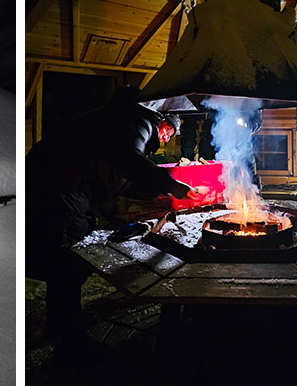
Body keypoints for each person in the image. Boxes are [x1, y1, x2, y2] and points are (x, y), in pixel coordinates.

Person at [26, 86, 197, 362]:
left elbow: (121, 178)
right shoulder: (138, 120)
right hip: (58, 189)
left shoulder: (122, 121)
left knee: (64, 262)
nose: (165, 141)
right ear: (162, 121)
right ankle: (71, 345)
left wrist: (162, 192)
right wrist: (169, 184)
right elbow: (126, 161)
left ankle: (60, 325)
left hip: (55, 185)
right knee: (67, 262)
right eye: (169, 133)